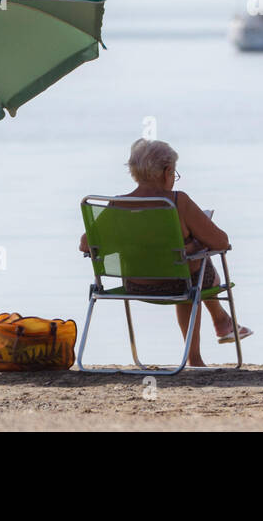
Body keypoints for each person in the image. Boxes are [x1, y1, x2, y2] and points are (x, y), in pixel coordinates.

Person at [78, 138, 252, 367]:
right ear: (167, 171)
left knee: (189, 260)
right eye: (174, 173)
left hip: (135, 284)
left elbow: (85, 244)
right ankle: (199, 352)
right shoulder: (178, 202)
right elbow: (221, 242)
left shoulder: (116, 205)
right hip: (178, 285)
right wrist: (196, 244)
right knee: (195, 263)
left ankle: (221, 324)